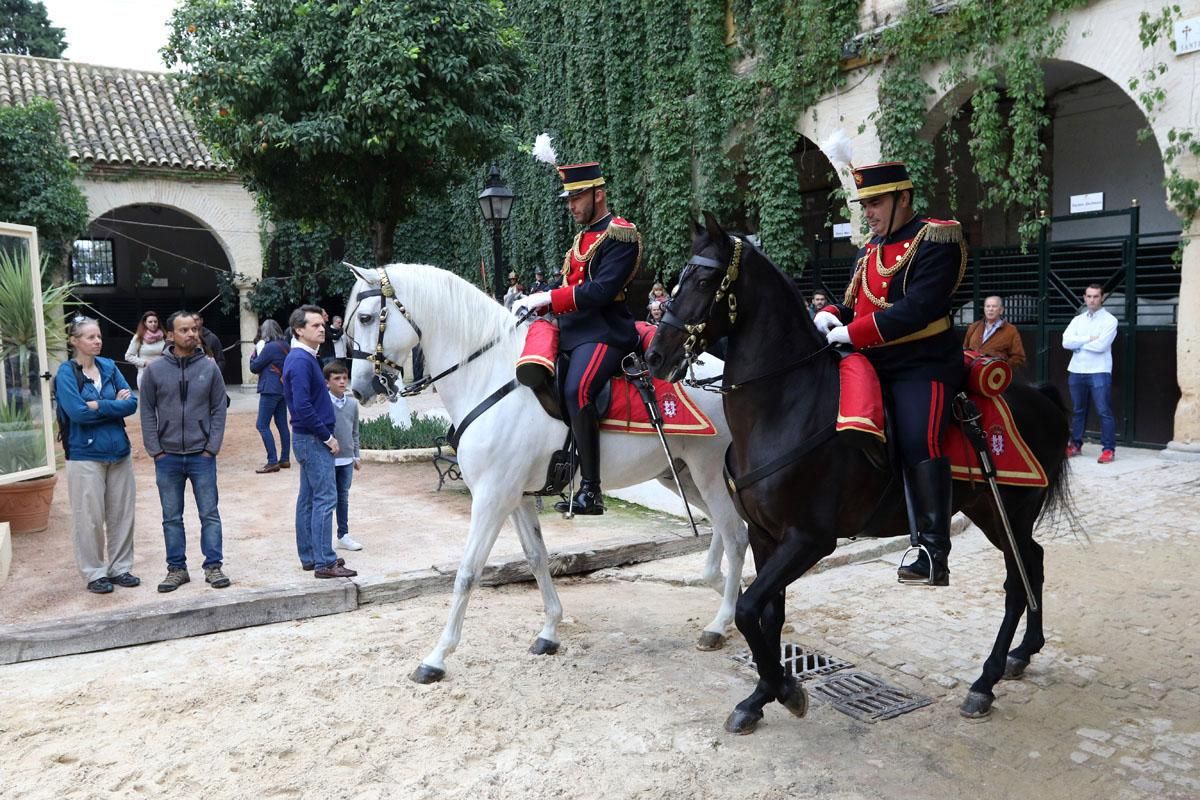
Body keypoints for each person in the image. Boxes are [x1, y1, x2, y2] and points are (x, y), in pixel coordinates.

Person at [814, 161, 966, 586]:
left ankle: (933, 550)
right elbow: (852, 304)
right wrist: (827, 315)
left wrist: (851, 331)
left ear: (904, 197)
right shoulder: (868, 251)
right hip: (870, 362)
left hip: (922, 363)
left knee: (920, 434)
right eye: (865, 205)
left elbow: (919, 309)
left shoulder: (937, 237)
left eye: (877, 203)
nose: (870, 213)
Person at [515, 162, 642, 515]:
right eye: (569, 199)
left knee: (578, 390)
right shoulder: (580, 238)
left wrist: (550, 299)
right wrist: (538, 302)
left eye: (577, 197)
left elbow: (601, 291)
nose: (571, 205)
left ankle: (591, 490)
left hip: (605, 331)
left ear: (598, 194)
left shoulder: (621, 234)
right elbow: (569, 284)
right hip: (573, 329)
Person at [140, 310, 232, 592]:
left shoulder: (209, 367)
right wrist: (155, 450)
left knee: (209, 513)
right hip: (167, 457)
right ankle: (176, 569)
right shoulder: (155, 370)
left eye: (194, 329)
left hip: (201, 455)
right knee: (171, 517)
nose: (191, 334)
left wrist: (211, 447)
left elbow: (219, 409)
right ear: (170, 335)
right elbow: (146, 411)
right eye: (184, 330)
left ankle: (213, 566)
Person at [56, 317, 140, 594]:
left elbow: (131, 404)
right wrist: (112, 404)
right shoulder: (67, 373)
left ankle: (120, 568)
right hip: (84, 454)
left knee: (122, 514)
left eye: (99, 336)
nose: (97, 341)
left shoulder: (109, 366)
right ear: (75, 341)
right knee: (89, 517)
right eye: (90, 337)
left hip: (119, 450)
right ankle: (94, 573)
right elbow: (77, 412)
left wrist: (98, 405)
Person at [283, 304, 357, 578]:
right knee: (325, 498)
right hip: (313, 439)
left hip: (307, 438)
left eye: (322, 324)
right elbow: (301, 406)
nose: (321, 328)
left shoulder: (303, 357)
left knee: (309, 498)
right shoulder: (301, 360)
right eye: (314, 325)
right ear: (299, 330)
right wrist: (328, 437)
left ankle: (311, 556)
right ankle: (324, 561)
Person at [1062, 283, 1118, 463]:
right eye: (1088, 296)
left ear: (1102, 298)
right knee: (1078, 410)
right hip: (1076, 370)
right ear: (1084, 298)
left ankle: (1108, 449)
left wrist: (1078, 344)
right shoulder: (1078, 320)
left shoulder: (1110, 320)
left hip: (1099, 371)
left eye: (1095, 296)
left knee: (1103, 411)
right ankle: (1075, 445)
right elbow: (1065, 342)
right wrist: (1087, 339)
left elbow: (1101, 346)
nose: (1092, 300)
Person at [325, 360, 364, 551]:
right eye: (336, 378)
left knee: (343, 496)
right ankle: (324, 538)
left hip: (347, 459)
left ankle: (343, 534)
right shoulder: (323, 403)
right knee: (327, 498)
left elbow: (355, 431)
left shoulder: (352, 404)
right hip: (328, 458)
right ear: (327, 382)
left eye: (344, 378)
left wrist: (356, 455)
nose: (342, 382)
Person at [249, 319, 291, 473]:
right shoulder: (286, 345)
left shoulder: (269, 347)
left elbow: (254, 367)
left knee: (262, 425)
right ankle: (285, 459)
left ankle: (272, 461)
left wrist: (253, 354)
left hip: (269, 389)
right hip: (283, 389)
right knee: (282, 425)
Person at [963, 295, 1026, 368]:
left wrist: (1000, 366)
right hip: (972, 373)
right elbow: (965, 350)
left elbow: (1019, 357)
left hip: (995, 375)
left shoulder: (1010, 330)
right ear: (984, 309)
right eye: (988, 306)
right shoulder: (974, 327)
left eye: (994, 306)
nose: (990, 309)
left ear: (1001, 310)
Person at [123, 310, 166, 387]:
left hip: (162, 374)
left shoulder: (163, 336)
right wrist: (145, 363)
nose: (153, 324)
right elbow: (128, 356)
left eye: (155, 321)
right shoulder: (139, 337)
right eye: (150, 322)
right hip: (145, 374)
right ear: (145, 323)